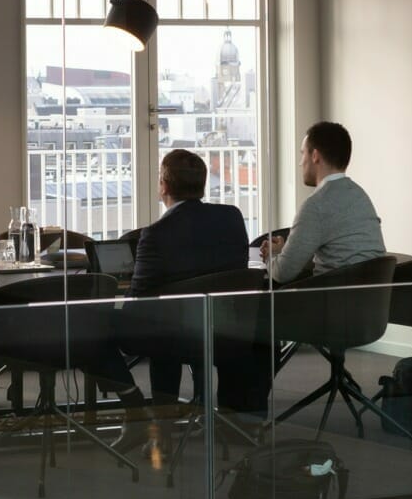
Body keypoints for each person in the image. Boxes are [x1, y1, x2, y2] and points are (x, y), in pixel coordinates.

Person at [119, 149, 249, 406]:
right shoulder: (231, 217)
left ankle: (145, 412)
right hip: (226, 329)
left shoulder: (156, 234)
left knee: (133, 325)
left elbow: (138, 300)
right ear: (201, 184)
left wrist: (112, 303)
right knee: (169, 320)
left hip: (175, 337)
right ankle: (207, 411)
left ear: (164, 186)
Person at [265, 121, 386, 284]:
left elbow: (282, 273)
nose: (301, 162)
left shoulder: (316, 205)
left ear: (315, 156)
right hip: (372, 303)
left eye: (303, 154)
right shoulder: (361, 197)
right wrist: (285, 251)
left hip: (332, 304)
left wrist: (271, 255)